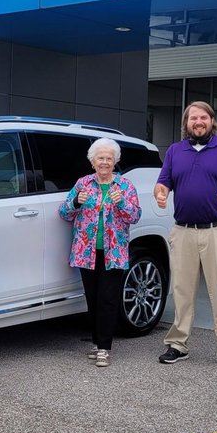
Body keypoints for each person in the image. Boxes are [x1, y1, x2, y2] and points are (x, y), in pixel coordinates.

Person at [154, 101, 217, 370]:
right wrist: (161, 194)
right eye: (193, 118)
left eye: (203, 117)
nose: (198, 122)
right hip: (183, 231)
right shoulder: (175, 151)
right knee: (182, 291)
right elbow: (163, 183)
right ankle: (177, 344)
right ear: (186, 123)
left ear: (212, 121)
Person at [59, 138, 142, 367]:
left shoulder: (125, 187)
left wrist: (122, 203)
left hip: (113, 253)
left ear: (115, 161)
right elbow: (64, 213)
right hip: (86, 252)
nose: (104, 162)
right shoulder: (83, 184)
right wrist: (76, 201)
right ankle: (97, 343)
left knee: (108, 299)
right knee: (93, 299)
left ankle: (104, 347)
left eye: (109, 158)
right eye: (100, 158)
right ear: (92, 161)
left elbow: (135, 216)